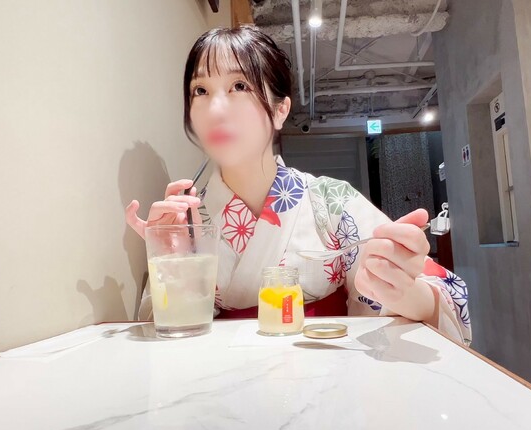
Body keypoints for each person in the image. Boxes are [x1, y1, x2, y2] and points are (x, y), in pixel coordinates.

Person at [125, 26, 471, 344]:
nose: (216, 109)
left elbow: (440, 297)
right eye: (200, 90)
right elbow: (166, 335)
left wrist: (403, 291)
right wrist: (169, 256)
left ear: (280, 111)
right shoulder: (187, 220)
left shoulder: (330, 201)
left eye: (239, 86)